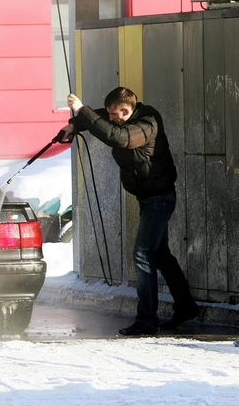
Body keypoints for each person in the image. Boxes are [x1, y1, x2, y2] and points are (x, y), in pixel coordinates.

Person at [61, 87, 199, 336]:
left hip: (160, 198)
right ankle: (186, 307)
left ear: (126, 110)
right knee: (161, 255)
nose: (111, 118)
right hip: (147, 198)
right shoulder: (123, 115)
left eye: (115, 115)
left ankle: (147, 321)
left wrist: (81, 110)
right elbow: (101, 117)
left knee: (143, 254)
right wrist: (74, 124)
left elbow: (118, 137)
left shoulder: (147, 123)